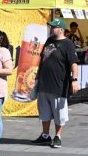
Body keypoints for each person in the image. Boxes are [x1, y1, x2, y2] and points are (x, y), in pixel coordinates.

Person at [31, 19, 79, 149]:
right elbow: (43, 60)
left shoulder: (68, 44)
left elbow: (74, 63)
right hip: (44, 84)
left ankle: (58, 136)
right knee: (44, 112)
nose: (51, 29)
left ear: (61, 29)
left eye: (54, 27)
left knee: (59, 113)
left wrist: (74, 80)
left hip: (59, 85)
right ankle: (45, 135)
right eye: (51, 27)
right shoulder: (49, 41)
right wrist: (37, 77)